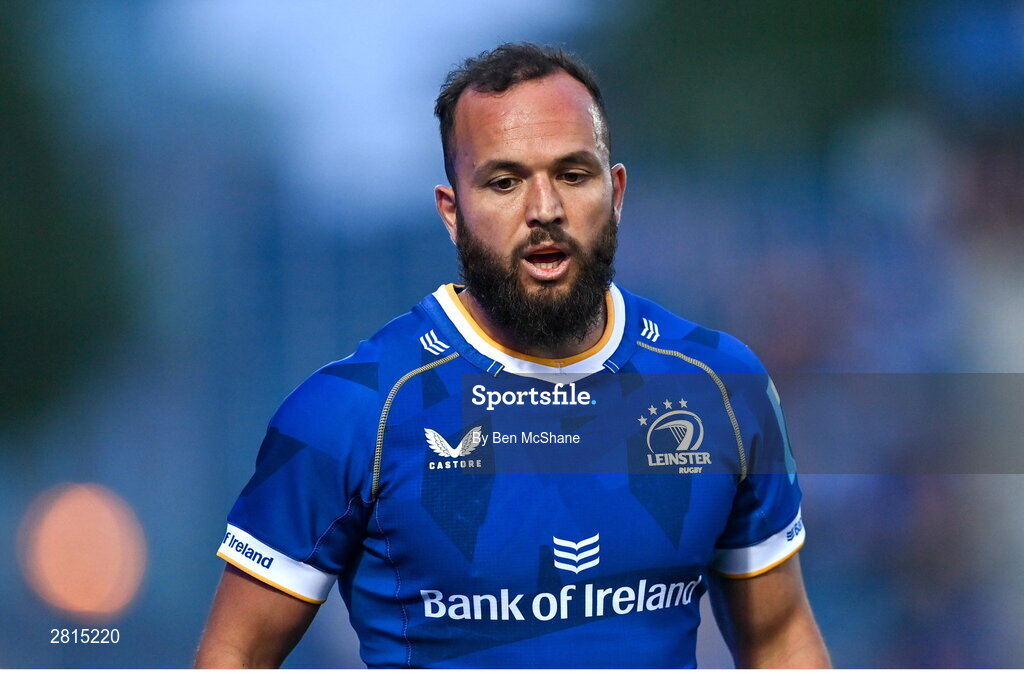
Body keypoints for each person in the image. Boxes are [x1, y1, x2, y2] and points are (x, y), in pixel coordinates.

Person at [195, 43, 830, 668]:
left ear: (616, 192)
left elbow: (780, 639)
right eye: (504, 182)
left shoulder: (721, 385)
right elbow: (234, 654)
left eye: (573, 175)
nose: (545, 210)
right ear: (453, 212)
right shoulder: (352, 412)